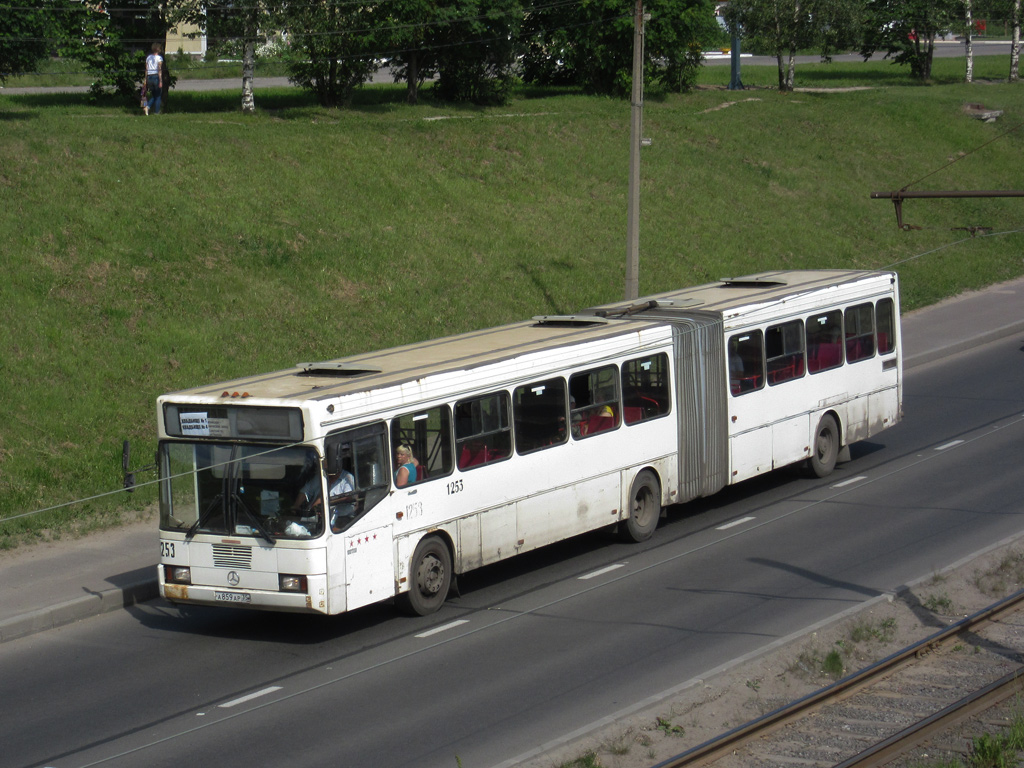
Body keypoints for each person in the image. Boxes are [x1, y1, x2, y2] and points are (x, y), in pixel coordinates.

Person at [143, 43, 163, 115]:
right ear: (158, 49)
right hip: (155, 77)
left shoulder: (148, 57)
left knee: (154, 94)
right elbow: (159, 69)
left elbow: (146, 69)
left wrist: (145, 79)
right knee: (158, 96)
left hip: (149, 77)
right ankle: (154, 110)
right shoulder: (159, 58)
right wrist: (160, 80)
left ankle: (148, 107)